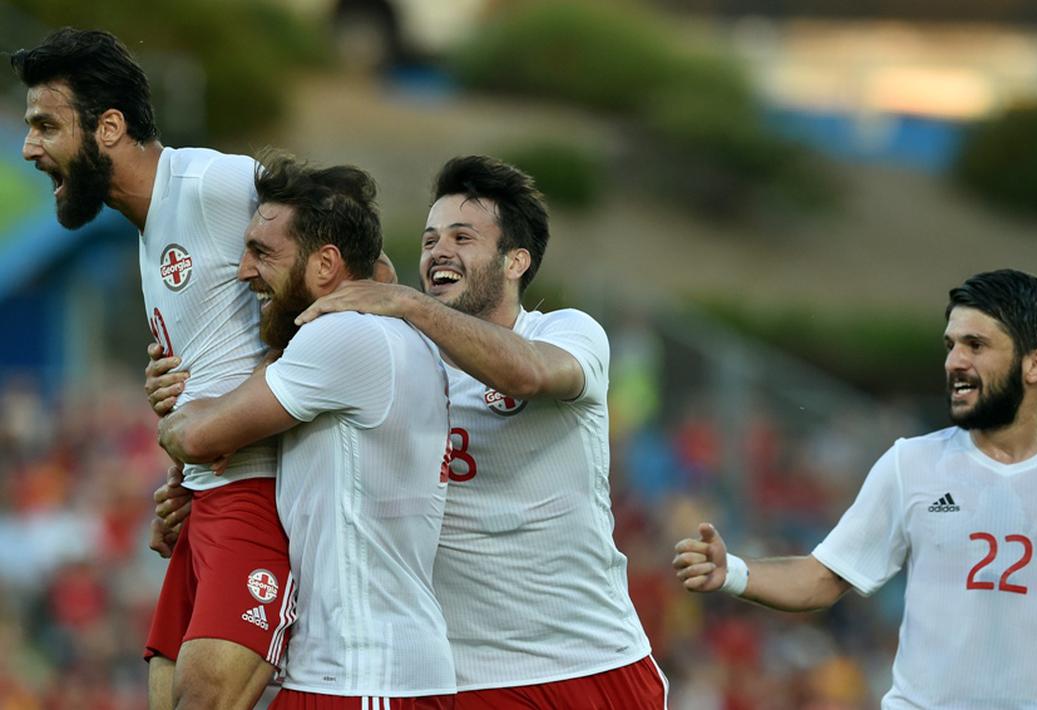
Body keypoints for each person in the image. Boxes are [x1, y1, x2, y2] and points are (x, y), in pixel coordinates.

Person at [672, 269, 1037, 709]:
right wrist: (734, 573)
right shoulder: (909, 465)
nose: (954, 362)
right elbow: (822, 578)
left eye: (976, 345)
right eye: (950, 345)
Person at [291, 155, 666, 707]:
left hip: (593, 663)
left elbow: (527, 372)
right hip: (467, 679)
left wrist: (406, 304)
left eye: (462, 237)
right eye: (428, 240)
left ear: (516, 260)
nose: (438, 251)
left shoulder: (567, 332)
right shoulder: (395, 363)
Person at [12, 28, 290, 709]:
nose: (29, 148)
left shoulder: (211, 184)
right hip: (200, 504)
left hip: (258, 499)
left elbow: (354, 260)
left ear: (108, 127)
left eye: (46, 125)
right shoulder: (148, 227)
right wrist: (180, 467)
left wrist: (275, 363)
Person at [157, 154, 455, 709]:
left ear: (326, 264)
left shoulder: (341, 336)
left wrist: (186, 408)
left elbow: (195, 437)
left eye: (263, 253)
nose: (244, 271)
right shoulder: (384, 335)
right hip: (358, 671)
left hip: (366, 675)